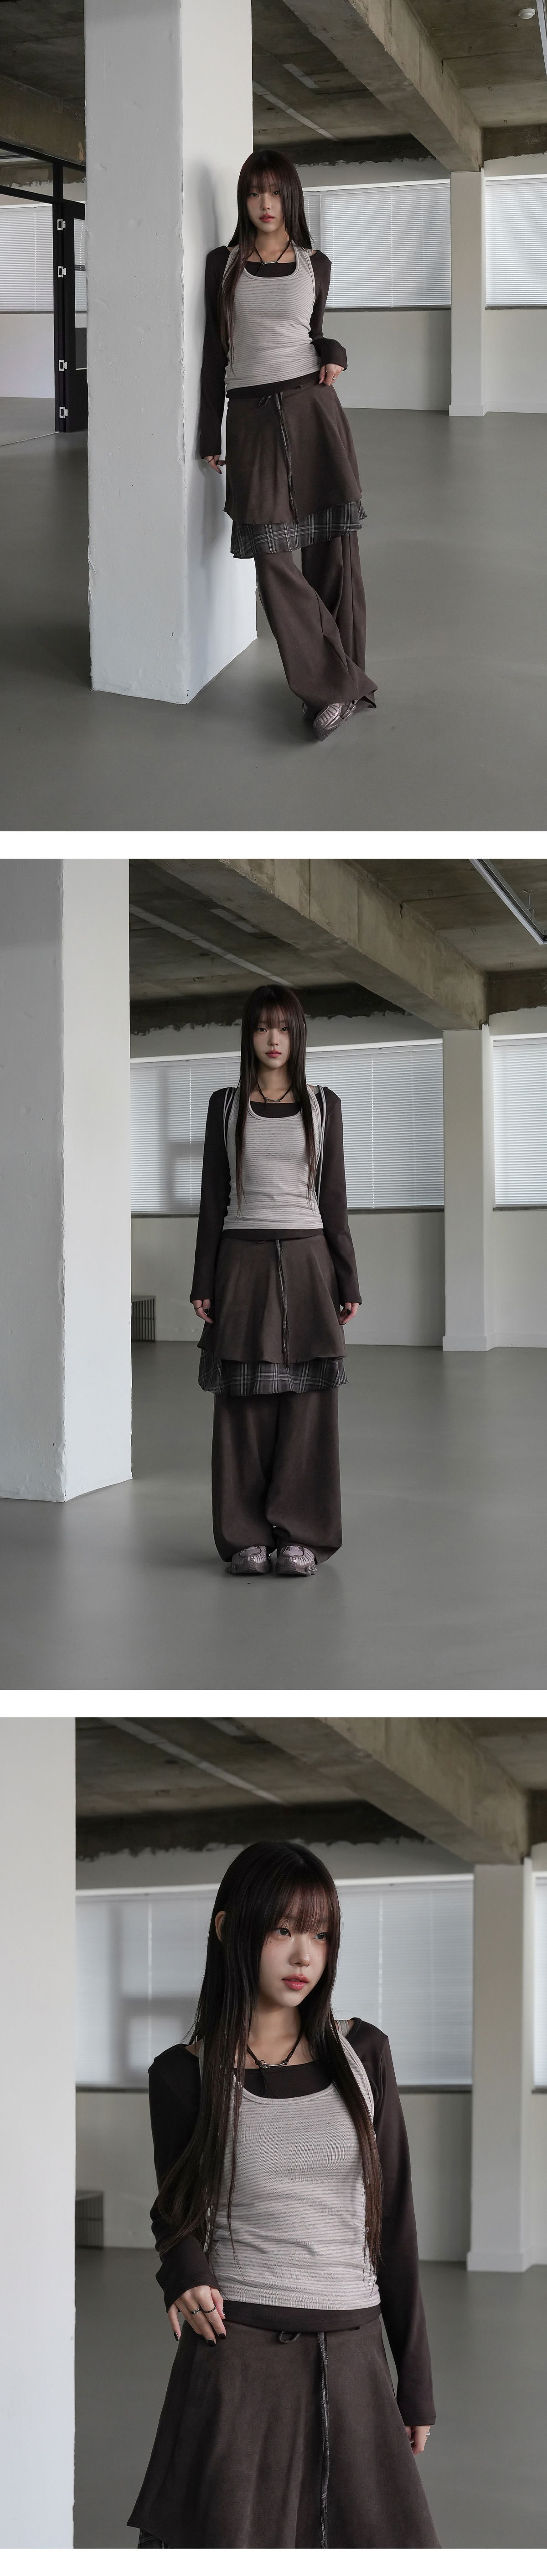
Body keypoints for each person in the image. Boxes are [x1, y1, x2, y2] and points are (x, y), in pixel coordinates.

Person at [129, 1839, 439, 2550]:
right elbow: (176, 2208)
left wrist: (414, 2379)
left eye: (321, 1935)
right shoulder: (182, 2075)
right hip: (236, 2356)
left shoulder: (364, 2054)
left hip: (355, 2350)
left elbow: (394, 2222)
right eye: (283, 1930)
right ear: (228, 1929)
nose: (305, 1956)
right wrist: (184, 2270)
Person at [199, 146, 377, 738]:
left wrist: (335, 351)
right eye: (255, 192)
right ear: (244, 200)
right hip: (250, 417)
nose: (265, 204)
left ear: (291, 198)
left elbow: (314, 334)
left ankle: (339, 685)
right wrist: (209, 431)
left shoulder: (315, 264)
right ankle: (336, 682)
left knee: (331, 549)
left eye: (275, 192)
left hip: (312, 408)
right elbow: (215, 351)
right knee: (272, 554)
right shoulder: (223, 264)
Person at [189, 982, 360, 1575]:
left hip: (310, 1262)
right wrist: (203, 1278)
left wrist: (348, 1281)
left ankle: (301, 1537)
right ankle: (246, 1539)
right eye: (263, 1027)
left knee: (307, 1407)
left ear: (298, 1035)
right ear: (249, 1035)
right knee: (243, 1407)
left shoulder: (324, 1104)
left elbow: (334, 1201)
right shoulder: (225, 1105)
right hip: (242, 1264)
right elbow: (213, 1200)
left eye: (284, 1028)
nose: (273, 1039)